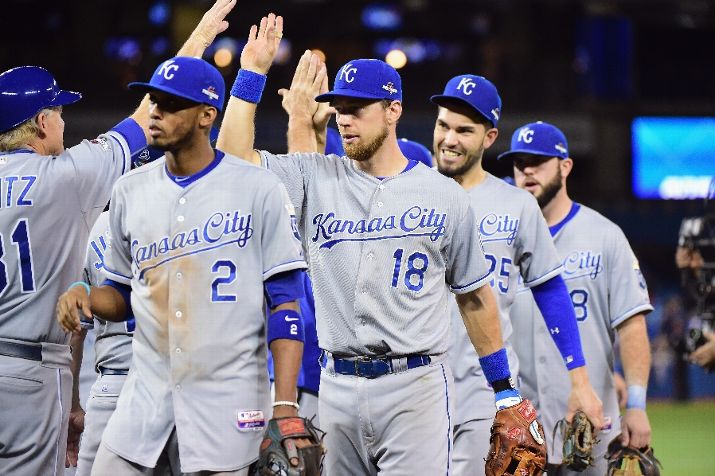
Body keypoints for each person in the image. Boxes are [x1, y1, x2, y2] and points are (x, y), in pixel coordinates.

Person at [217, 18, 537, 471]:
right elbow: (231, 164)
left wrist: (503, 391)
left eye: (358, 108)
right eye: (339, 108)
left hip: (415, 386)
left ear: (393, 110)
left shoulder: (442, 194)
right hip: (335, 385)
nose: (344, 119)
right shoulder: (315, 177)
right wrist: (251, 74)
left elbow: (475, 297)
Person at [57, 15, 309, 476]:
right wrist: (86, 293)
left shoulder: (258, 189)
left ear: (206, 116)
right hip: (144, 399)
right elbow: (120, 296)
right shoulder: (130, 190)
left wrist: (286, 405)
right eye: (154, 100)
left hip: (227, 402)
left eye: (172, 104)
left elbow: (286, 305)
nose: (156, 112)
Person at [428, 75, 603, 475]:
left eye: (464, 130)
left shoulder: (516, 205)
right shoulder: (409, 192)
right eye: (443, 125)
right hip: (414, 385)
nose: (449, 139)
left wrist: (580, 381)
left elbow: (551, 290)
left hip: (485, 388)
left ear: (489, 137)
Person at [503, 121, 654, 475]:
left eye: (538, 161)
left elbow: (632, 324)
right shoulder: (499, 242)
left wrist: (636, 405)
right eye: (520, 162)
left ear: (565, 166)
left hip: (590, 425)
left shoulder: (604, 236)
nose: (527, 170)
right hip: (516, 429)